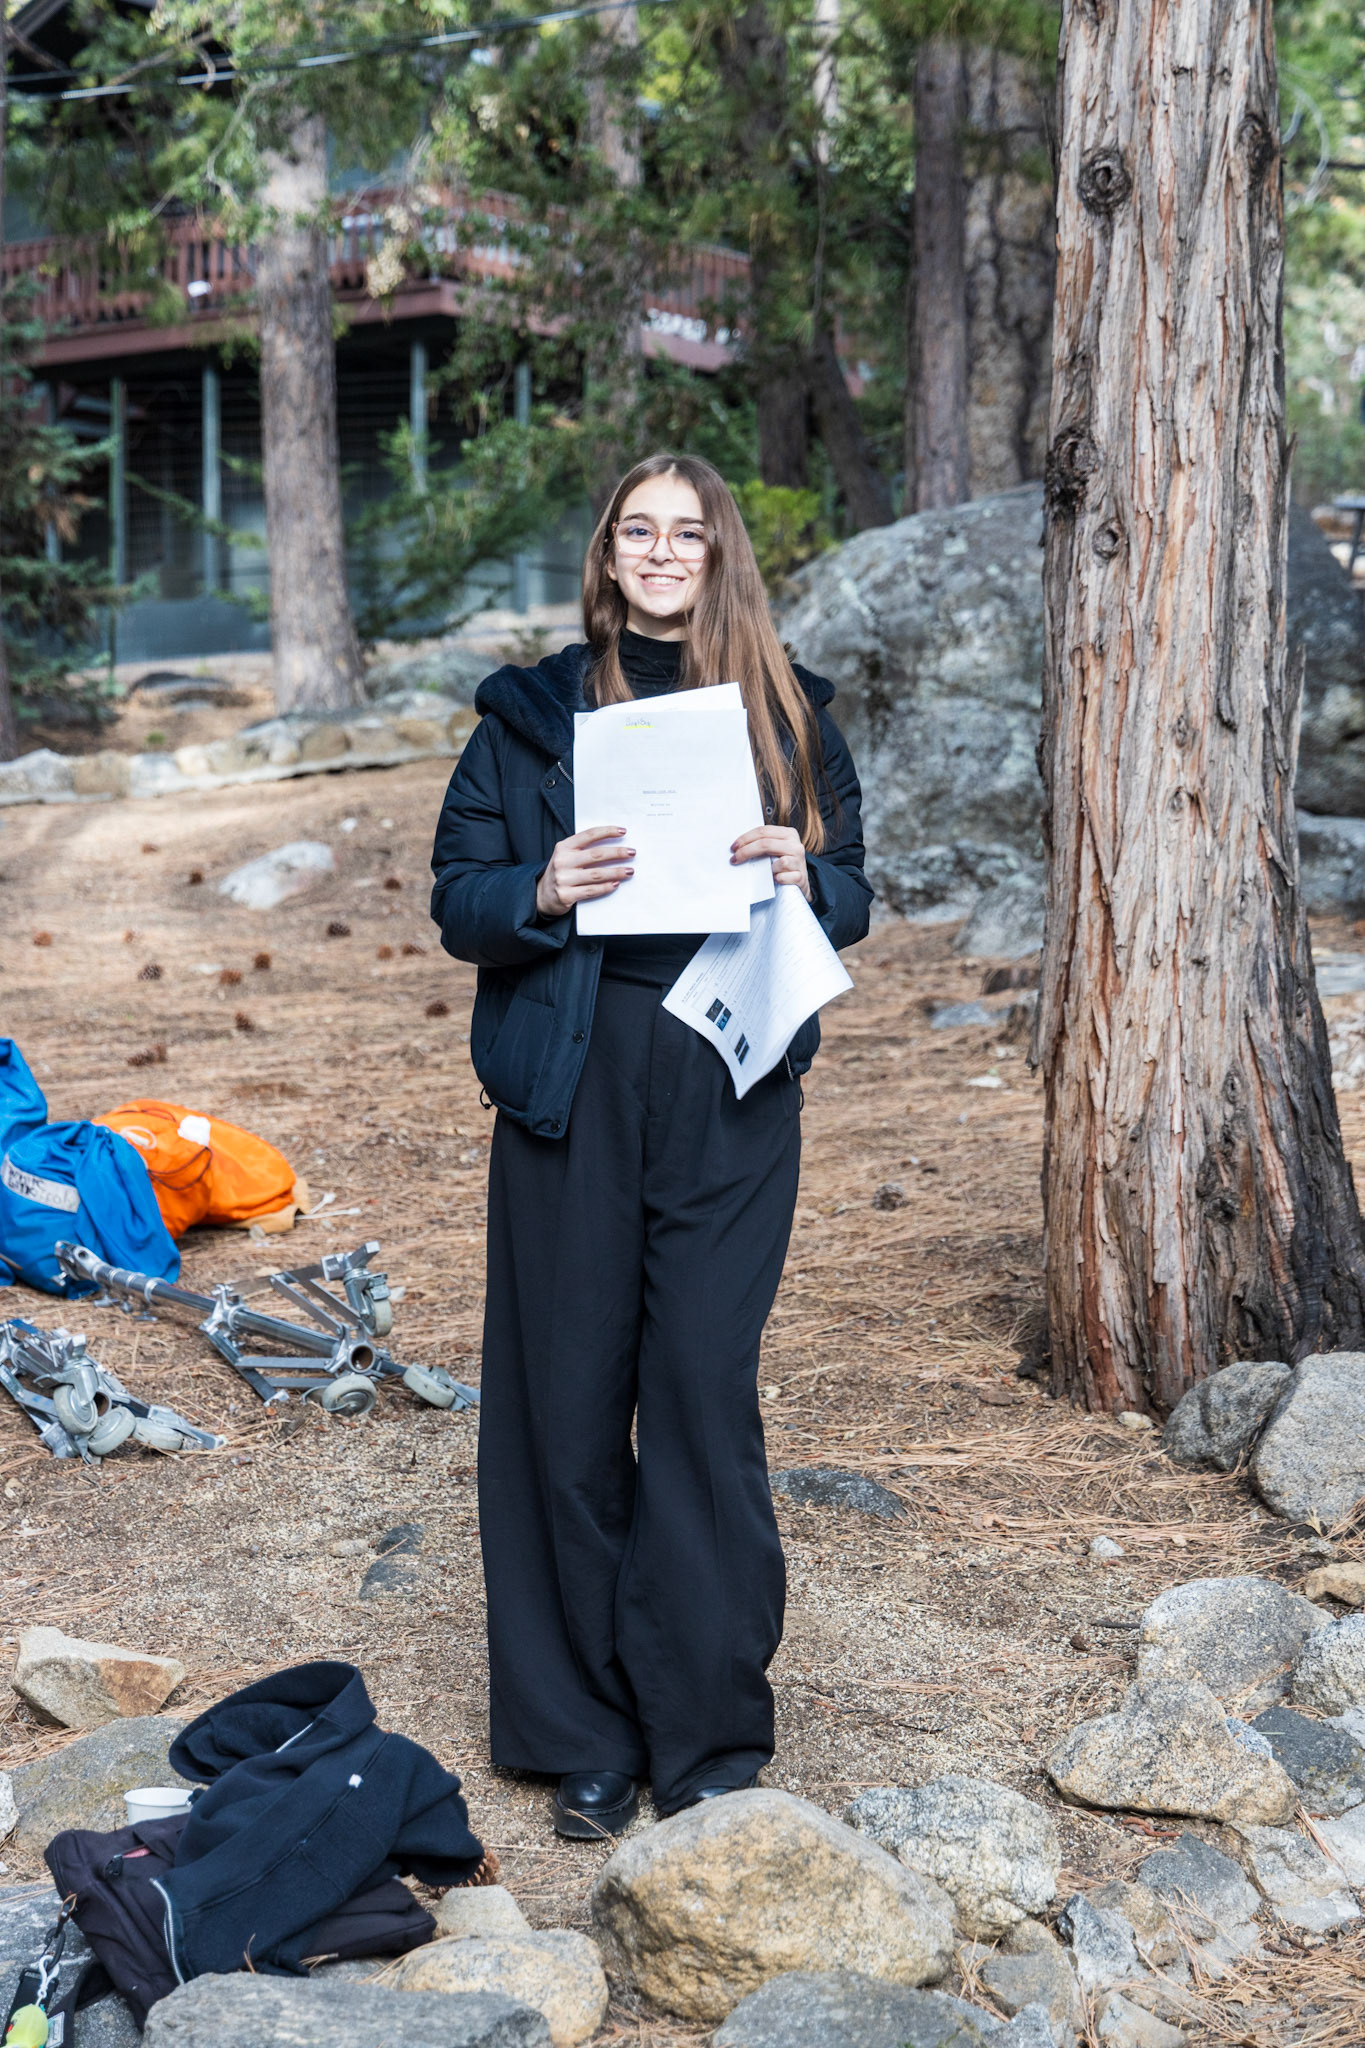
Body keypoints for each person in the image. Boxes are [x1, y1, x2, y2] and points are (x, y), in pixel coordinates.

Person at [430, 452, 872, 1837]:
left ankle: (705, 1726)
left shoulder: (788, 715)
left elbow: (853, 890)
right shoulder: (527, 717)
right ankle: (587, 1731)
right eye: (639, 530)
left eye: (688, 533)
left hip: (727, 1077)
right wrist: (540, 883)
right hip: (573, 1075)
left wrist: (810, 874)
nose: (664, 552)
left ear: (718, 552)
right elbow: (458, 897)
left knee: (696, 1389)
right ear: (608, 554)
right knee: (564, 1405)